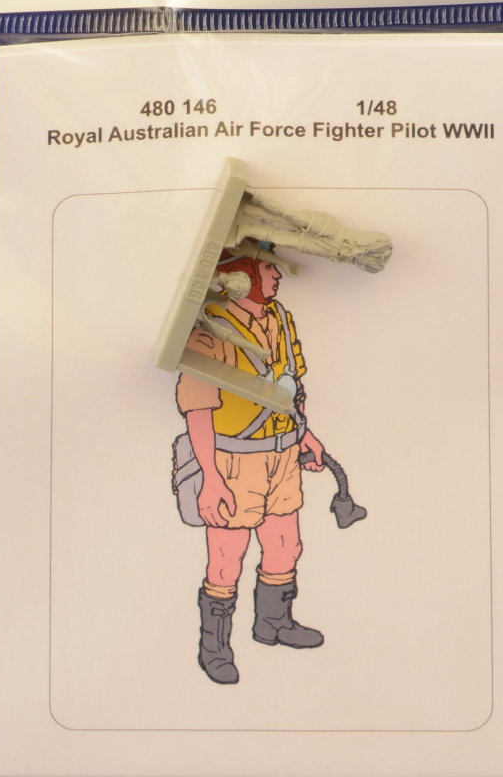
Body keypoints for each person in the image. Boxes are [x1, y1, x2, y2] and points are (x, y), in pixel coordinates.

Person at [175, 248, 326, 684]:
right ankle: (215, 648)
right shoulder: (209, 327)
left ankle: (273, 623)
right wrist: (211, 478)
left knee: (286, 545)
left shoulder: (279, 318)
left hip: (282, 452)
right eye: (267, 267)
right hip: (233, 460)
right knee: (227, 557)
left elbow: (292, 384)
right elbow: (198, 407)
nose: (277, 274)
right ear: (241, 274)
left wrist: (305, 434)